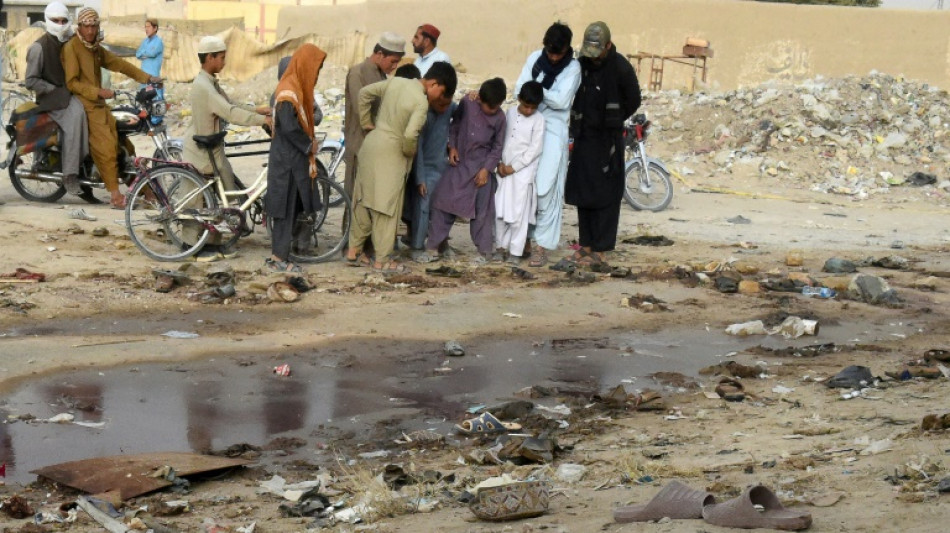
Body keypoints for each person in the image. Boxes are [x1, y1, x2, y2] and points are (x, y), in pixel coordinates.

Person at [345, 61, 458, 273]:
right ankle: (383, 259)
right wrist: (409, 152)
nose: (438, 100)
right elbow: (409, 136)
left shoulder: (395, 82)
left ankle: (354, 251)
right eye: (440, 94)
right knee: (386, 208)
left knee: (363, 201)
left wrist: (367, 122)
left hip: (371, 144)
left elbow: (364, 95)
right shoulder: (421, 103)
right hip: (391, 152)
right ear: (433, 84)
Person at [181, 35, 272, 262]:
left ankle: (212, 243)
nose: (224, 62)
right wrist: (262, 121)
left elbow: (230, 104)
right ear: (209, 57)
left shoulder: (211, 82)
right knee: (198, 200)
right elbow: (229, 112)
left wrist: (258, 110)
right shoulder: (203, 86)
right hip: (201, 149)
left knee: (220, 194)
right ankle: (190, 247)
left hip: (213, 146)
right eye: (221, 58)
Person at [62, 7, 161, 209]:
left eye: (93, 26)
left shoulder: (95, 48)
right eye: (86, 26)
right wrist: (98, 92)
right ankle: (115, 196)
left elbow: (119, 64)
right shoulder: (72, 47)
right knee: (106, 146)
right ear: (79, 27)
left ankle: (144, 190)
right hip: (85, 104)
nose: (90, 31)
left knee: (125, 144)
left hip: (101, 105)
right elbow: (72, 83)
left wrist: (147, 78)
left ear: (98, 27)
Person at [564, 22, 641, 266]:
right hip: (585, 138)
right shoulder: (583, 64)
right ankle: (585, 244)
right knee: (584, 193)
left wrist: (615, 118)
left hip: (607, 140)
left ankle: (601, 247)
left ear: (608, 46)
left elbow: (634, 99)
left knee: (607, 195)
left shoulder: (620, 68)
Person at [513, 22, 581, 267]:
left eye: (557, 53)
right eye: (550, 52)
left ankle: (542, 245)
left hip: (552, 130)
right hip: (527, 126)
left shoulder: (573, 68)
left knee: (546, 188)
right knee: (523, 184)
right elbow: (517, 89)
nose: (552, 57)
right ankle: (524, 240)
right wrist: (534, 94)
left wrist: (536, 92)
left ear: (566, 50)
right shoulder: (534, 58)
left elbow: (562, 101)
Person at [420, 77, 507, 264]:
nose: (492, 111)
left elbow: (497, 148)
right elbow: (455, 125)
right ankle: (433, 247)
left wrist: (486, 170)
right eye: (489, 107)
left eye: (496, 107)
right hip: (459, 164)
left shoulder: (500, 118)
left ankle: (484, 252)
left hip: (481, 170)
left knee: (483, 212)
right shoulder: (468, 103)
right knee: (443, 202)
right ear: (480, 99)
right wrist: (451, 146)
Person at [265, 44, 327, 273]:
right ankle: (278, 258)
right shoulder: (287, 91)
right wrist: (307, 144)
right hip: (287, 161)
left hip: (292, 159)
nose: (316, 74)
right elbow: (289, 127)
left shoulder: (297, 88)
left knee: (293, 207)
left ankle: (282, 255)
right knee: (284, 208)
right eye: (315, 68)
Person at [24, 2, 89, 196]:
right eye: (56, 20)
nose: (60, 24)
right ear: (47, 20)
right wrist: (53, 89)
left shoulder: (68, 41)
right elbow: (31, 80)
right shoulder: (39, 47)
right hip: (52, 100)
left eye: (63, 20)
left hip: (69, 95)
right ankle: (69, 174)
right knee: (76, 119)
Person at [343, 32, 405, 200]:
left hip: (377, 145)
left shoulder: (381, 75)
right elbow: (360, 107)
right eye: (393, 61)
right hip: (359, 144)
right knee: (356, 198)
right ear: (379, 54)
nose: (394, 67)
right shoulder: (358, 73)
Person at [494, 81, 545, 264]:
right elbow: (500, 139)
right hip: (503, 171)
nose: (529, 111)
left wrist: (514, 167)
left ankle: (515, 252)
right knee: (500, 211)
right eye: (526, 106)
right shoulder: (509, 113)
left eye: (533, 107)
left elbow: (535, 149)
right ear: (519, 99)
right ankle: (500, 247)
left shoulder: (539, 120)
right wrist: (500, 164)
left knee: (519, 215)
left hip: (522, 174)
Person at [404, 92, 454, 256]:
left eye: (447, 105)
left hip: (442, 168)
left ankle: (442, 243)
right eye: (441, 105)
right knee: (422, 209)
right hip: (425, 169)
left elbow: (464, 114)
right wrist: (420, 178)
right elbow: (418, 149)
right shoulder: (423, 115)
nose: (444, 109)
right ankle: (417, 247)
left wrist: (472, 97)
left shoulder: (450, 108)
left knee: (443, 209)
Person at [135, 18, 164, 100]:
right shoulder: (145, 41)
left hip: (153, 79)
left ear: (155, 28)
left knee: (155, 104)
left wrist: (143, 53)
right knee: (144, 104)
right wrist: (146, 52)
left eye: (148, 26)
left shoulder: (158, 42)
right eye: (145, 27)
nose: (146, 29)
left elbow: (152, 53)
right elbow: (137, 54)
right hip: (144, 79)